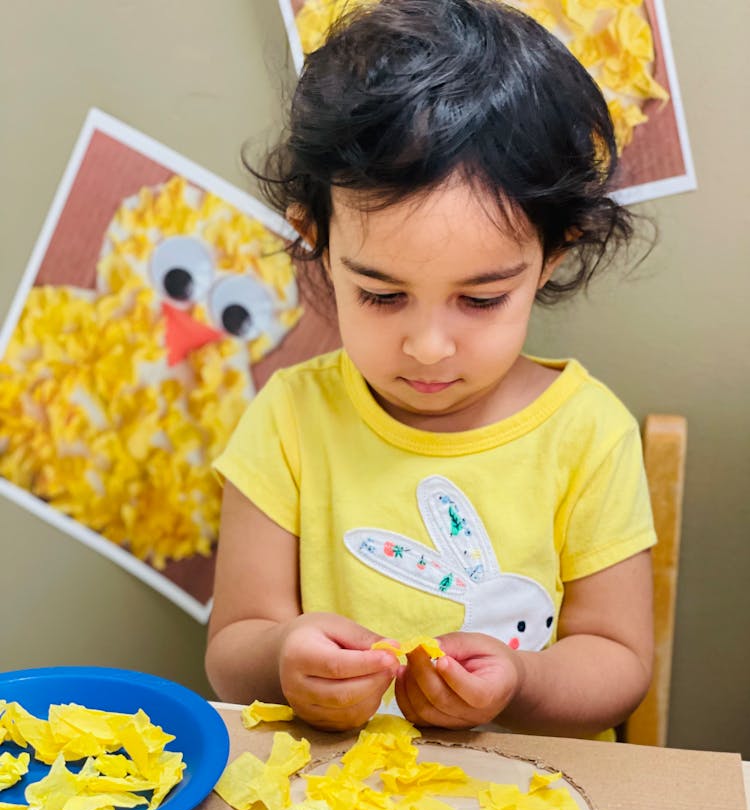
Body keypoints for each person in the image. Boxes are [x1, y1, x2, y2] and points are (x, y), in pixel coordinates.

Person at [205, 0, 656, 738]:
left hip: (529, 809)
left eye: (480, 300)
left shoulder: (588, 432)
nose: (428, 347)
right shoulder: (289, 419)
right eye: (382, 295)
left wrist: (520, 682)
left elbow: (617, 663)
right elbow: (232, 651)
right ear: (315, 238)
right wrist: (285, 656)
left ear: (554, 256)